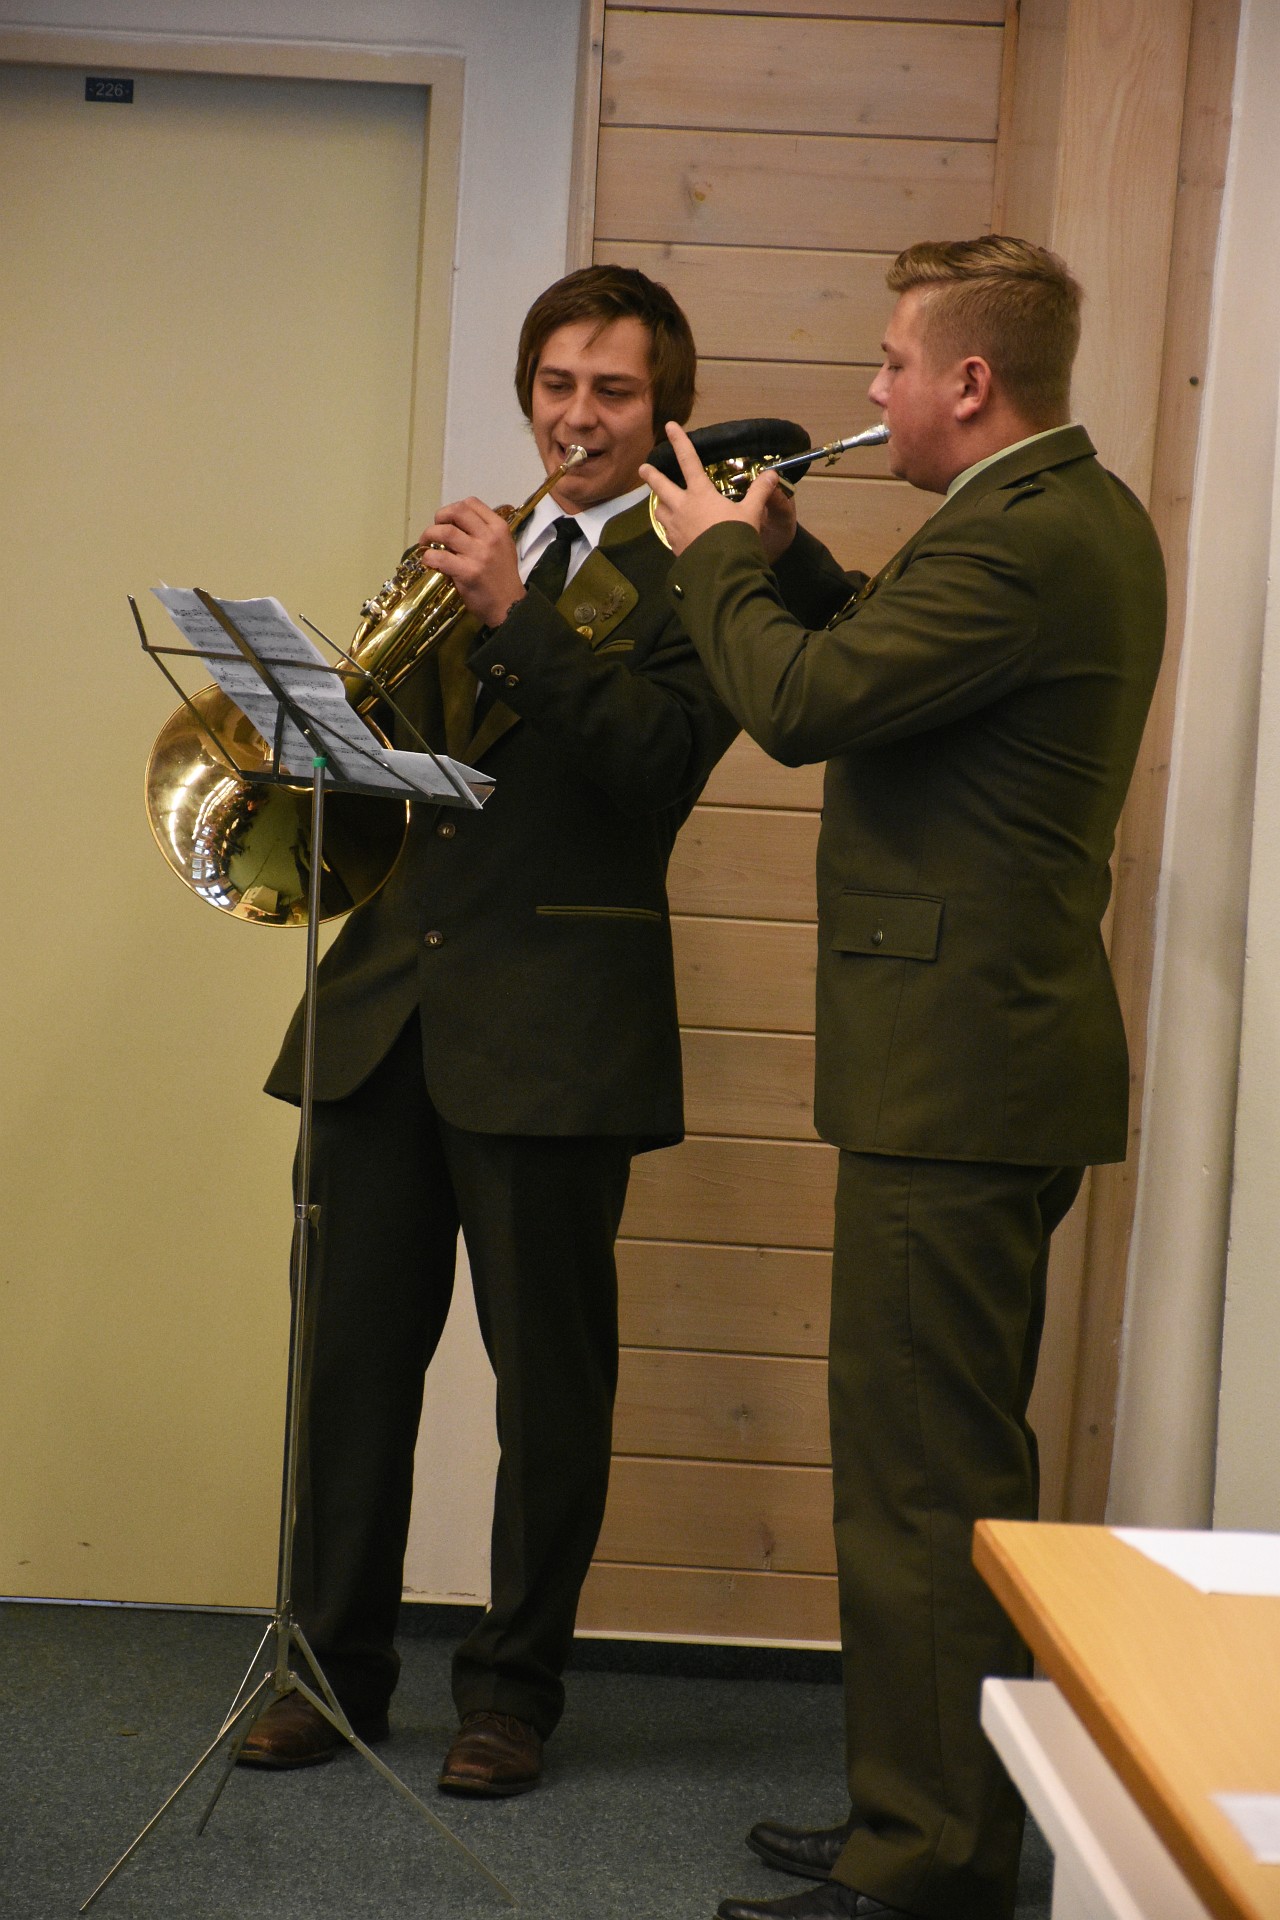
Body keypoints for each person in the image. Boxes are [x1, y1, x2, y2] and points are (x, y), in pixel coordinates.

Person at [642, 236, 1166, 1920]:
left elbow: (804, 707)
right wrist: (788, 562)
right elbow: (882, 653)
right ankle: (921, 1815)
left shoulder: (1021, 538)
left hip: (962, 1081)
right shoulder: (1052, 515)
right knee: (932, 1472)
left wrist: (712, 564)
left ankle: (927, 1862)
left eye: (889, 363)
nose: (869, 391)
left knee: (923, 1486)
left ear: (969, 382)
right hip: (976, 1068)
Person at [239, 264, 737, 1794]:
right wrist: (317, 728)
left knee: (551, 1391)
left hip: (558, 1033)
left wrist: (516, 617)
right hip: (385, 1018)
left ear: (665, 412)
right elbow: (396, 792)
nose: (577, 417)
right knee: (347, 1377)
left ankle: (512, 1695)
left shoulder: (705, 574)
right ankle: (331, 1669)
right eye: (557, 385)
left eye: (613, 392)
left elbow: (655, 765)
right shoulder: (462, 557)